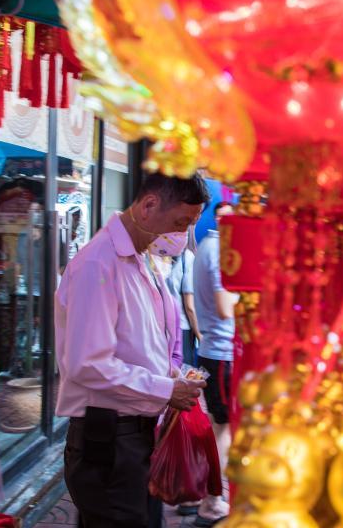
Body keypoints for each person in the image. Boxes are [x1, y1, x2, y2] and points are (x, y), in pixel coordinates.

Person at [55, 173, 210, 528]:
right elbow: (88, 364)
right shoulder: (99, 264)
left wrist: (169, 375)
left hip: (132, 436)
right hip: (108, 439)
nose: (182, 234)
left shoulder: (138, 260)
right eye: (180, 223)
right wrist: (166, 388)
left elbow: (136, 343)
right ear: (149, 206)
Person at [192, 201, 237, 526]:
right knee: (223, 431)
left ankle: (207, 495)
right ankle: (211, 501)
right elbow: (224, 306)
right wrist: (248, 293)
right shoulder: (219, 249)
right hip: (221, 352)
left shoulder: (207, 245)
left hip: (212, 350)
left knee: (220, 429)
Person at [166, 226, 202, 366]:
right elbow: (189, 306)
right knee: (184, 372)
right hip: (183, 327)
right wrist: (199, 334)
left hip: (164, 325)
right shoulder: (188, 257)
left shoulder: (161, 255)